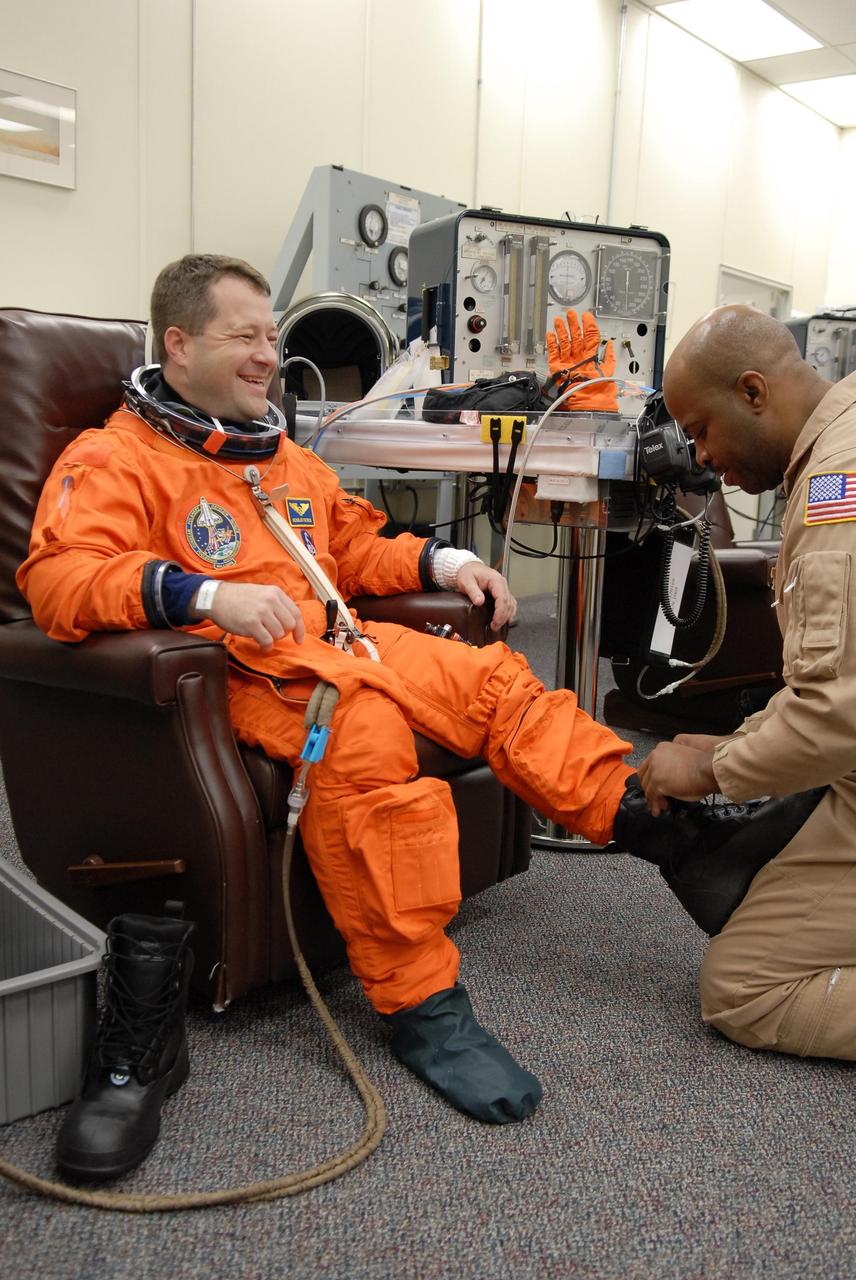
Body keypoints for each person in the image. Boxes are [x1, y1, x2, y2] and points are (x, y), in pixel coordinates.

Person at [17, 259, 788, 1156]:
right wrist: (200, 597)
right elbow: (59, 579)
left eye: (273, 336)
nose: (270, 355)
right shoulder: (114, 459)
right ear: (179, 346)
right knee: (365, 734)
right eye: (246, 337)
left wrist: (444, 566)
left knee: (495, 681)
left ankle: (664, 830)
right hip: (250, 673)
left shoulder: (280, 457)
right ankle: (423, 1005)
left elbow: (354, 541)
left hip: (342, 648)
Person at [637, 302, 856, 1062]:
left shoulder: (837, 491)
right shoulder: (842, 435)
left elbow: (835, 718)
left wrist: (710, 769)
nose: (700, 458)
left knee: (741, 987)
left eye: (701, 430)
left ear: (754, 392)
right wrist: (741, 739)